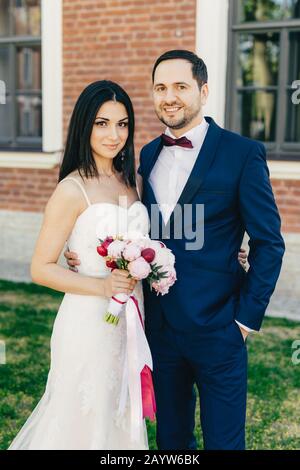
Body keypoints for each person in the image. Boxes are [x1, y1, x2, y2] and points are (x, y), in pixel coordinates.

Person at [64, 50, 285, 450]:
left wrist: (245, 321)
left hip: (220, 328)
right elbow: (132, 226)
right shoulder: (146, 155)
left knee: (225, 442)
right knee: (171, 442)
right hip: (159, 331)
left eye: (180, 86)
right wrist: (82, 249)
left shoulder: (242, 153)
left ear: (203, 91)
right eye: (160, 87)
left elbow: (269, 243)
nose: (170, 96)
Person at [8, 81, 151, 450]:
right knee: (84, 418)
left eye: (122, 124)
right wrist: (102, 286)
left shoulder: (134, 181)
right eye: (102, 123)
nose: (113, 134)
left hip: (132, 325)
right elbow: (40, 268)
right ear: (85, 124)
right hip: (88, 323)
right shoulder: (72, 190)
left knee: (121, 416)